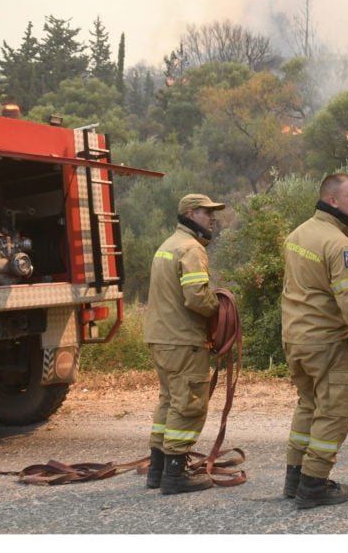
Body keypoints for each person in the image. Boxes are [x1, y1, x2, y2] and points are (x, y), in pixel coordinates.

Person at [280, 173, 348, 509]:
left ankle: (294, 478)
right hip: (326, 342)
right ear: (333, 200)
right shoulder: (339, 244)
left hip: (295, 340)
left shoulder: (297, 235)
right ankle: (314, 484)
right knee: (335, 409)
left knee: (308, 404)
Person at [143, 193, 226, 494]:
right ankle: (175, 474)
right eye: (207, 213)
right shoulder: (191, 249)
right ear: (191, 214)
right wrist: (220, 307)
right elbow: (196, 298)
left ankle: (158, 469)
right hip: (182, 341)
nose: (212, 218)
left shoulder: (167, 246)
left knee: (169, 401)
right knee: (189, 404)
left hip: (161, 338)